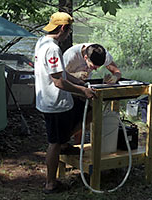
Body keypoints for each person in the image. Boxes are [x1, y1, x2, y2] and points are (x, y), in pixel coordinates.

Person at [34, 12, 96, 193]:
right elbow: (58, 82)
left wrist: (78, 82)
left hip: (51, 100)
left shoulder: (42, 41)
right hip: (54, 102)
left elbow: (60, 73)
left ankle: (64, 142)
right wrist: (82, 91)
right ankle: (50, 184)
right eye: (68, 31)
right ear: (62, 28)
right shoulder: (53, 49)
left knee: (88, 110)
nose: (68, 35)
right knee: (53, 143)